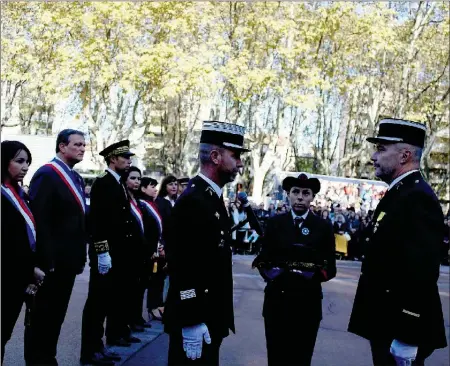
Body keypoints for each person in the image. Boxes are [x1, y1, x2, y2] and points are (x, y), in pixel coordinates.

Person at [348, 118, 447, 365]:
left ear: (404, 156)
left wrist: (408, 334)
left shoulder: (416, 197)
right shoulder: (401, 192)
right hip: (386, 321)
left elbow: (421, 272)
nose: (373, 156)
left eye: (381, 149)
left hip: (399, 326)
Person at [164, 120, 249, 365]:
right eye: (235, 156)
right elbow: (183, 264)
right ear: (215, 156)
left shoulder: (210, 196)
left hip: (209, 315)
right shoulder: (195, 199)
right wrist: (191, 319)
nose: (240, 163)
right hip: (196, 317)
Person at [253, 173, 336, 366]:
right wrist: (274, 274)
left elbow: (330, 267)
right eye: (295, 192)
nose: (300, 197)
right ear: (288, 195)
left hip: (307, 303)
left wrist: (309, 275)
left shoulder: (322, 227)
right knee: (276, 357)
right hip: (277, 302)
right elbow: (263, 259)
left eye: (306, 193)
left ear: (312, 197)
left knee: (301, 358)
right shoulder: (275, 223)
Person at [25, 129, 88, 366]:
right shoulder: (47, 174)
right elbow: (39, 221)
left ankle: (48, 357)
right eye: (77, 144)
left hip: (68, 263)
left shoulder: (77, 178)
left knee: (56, 316)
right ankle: (37, 360)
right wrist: (43, 261)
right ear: (62, 147)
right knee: (42, 317)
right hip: (51, 264)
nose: (82, 148)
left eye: (84, 145)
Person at [80, 140, 139, 366]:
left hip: (118, 254)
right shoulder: (104, 183)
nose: (129, 161)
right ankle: (90, 351)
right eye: (125, 158)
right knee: (97, 303)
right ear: (113, 159)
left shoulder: (118, 184)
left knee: (105, 303)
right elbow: (98, 223)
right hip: (106, 254)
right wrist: (102, 252)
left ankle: (98, 347)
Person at [1, 141, 45, 363]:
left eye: (28, 162)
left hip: (18, 277)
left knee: (5, 333)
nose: (26, 167)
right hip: (6, 277)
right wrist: (30, 269)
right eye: (19, 161)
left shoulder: (20, 193)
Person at [122, 167, 149, 332]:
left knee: (135, 291)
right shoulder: (123, 200)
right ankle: (120, 328)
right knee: (124, 293)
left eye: (139, 178)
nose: (137, 182)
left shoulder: (137, 201)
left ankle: (129, 324)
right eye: (133, 178)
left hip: (139, 254)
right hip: (126, 253)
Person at [139, 177, 166, 323]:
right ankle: (150, 308)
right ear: (143, 189)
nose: (155, 189)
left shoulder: (152, 204)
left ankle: (156, 306)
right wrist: (154, 247)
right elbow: (147, 229)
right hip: (149, 250)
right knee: (147, 282)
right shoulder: (142, 205)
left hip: (157, 247)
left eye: (156, 186)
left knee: (157, 280)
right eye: (152, 186)